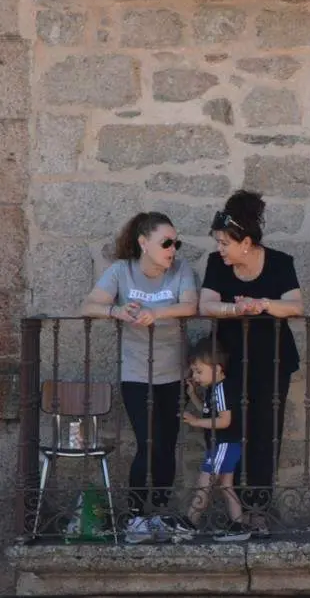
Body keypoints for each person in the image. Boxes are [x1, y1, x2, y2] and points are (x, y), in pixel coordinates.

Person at [79, 211, 197, 544]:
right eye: (166, 242)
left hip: (173, 374)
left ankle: (158, 512)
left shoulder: (181, 270)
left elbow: (190, 305)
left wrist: (156, 312)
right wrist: (116, 311)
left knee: (166, 445)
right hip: (136, 374)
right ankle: (134, 516)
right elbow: (89, 305)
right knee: (148, 443)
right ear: (144, 243)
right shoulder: (122, 271)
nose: (172, 249)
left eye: (176, 242)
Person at [199, 190, 303, 538]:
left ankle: (258, 509)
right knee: (229, 433)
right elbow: (207, 305)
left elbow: (295, 305)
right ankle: (233, 512)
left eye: (224, 242)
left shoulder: (280, 262)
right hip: (228, 364)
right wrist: (236, 309)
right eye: (217, 242)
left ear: (245, 242)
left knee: (264, 435)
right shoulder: (217, 265)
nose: (220, 249)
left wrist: (261, 304)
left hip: (272, 362)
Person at [172, 337, 251, 543]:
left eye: (199, 371)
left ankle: (189, 523)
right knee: (226, 486)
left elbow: (224, 420)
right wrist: (195, 396)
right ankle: (239, 525)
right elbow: (209, 413)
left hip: (224, 444)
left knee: (204, 483)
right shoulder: (213, 389)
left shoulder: (222, 389)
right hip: (223, 445)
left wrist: (197, 422)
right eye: (194, 372)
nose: (195, 376)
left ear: (216, 368)